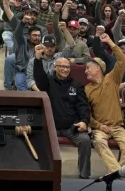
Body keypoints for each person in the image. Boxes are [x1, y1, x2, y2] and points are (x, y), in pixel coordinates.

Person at [31, 44, 92, 178]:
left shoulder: (77, 85)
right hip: (51, 126)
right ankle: (42, 174)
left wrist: (84, 122)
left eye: (67, 67)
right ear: (55, 67)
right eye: (61, 67)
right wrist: (38, 58)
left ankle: (84, 176)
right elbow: (39, 76)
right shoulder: (48, 82)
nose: (65, 69)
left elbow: (83, 106)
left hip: (71, 127)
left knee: (85, 141)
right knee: (37, 138)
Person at [83, 33, 125, 177]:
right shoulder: (86, 89)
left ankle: (123, 174)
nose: (85, 71)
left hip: (118, 126)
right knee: (99, 142)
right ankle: (117, 172)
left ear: (98, 68)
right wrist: (99, 126)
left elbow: (122, 60)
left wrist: (110, 42)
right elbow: (86, 114)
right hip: (101, 128)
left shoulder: (112, 79)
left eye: (88, 68)